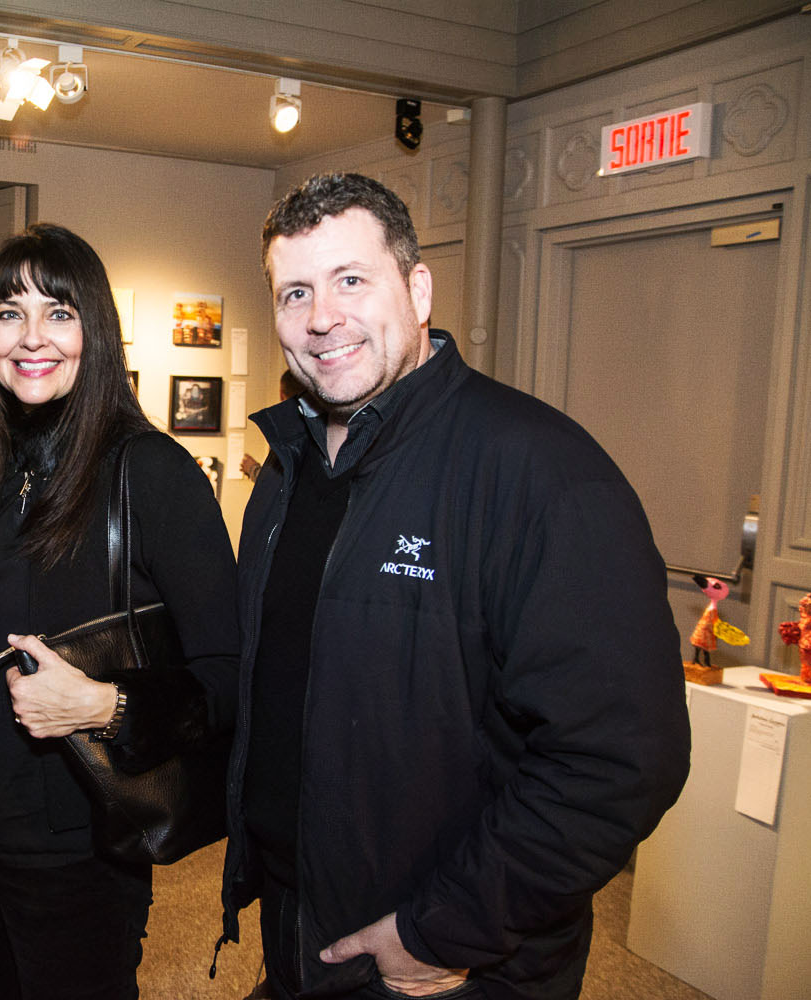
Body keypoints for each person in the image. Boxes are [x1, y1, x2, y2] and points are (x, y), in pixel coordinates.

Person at [221, 173, 690, 1000]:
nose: (321, 316)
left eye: (350, 279)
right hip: (302, 926)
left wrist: (441, 929)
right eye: (296, 292)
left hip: (444, 961)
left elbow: (619, 760)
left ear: (419, 289)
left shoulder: (542, 472)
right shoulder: (288, 472)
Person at [0, 223, 238, 1000]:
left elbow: (231, 678)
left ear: (94, 330)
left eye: (58, 313)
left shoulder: (150, 472)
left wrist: (106, 706)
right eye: (10, 313)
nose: (31, 336)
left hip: (77, 858)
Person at [238, 369, 299, 481]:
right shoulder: (322, 425)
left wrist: (252, 469)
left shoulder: (283, 431)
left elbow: (276, 483)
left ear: (281, 394)